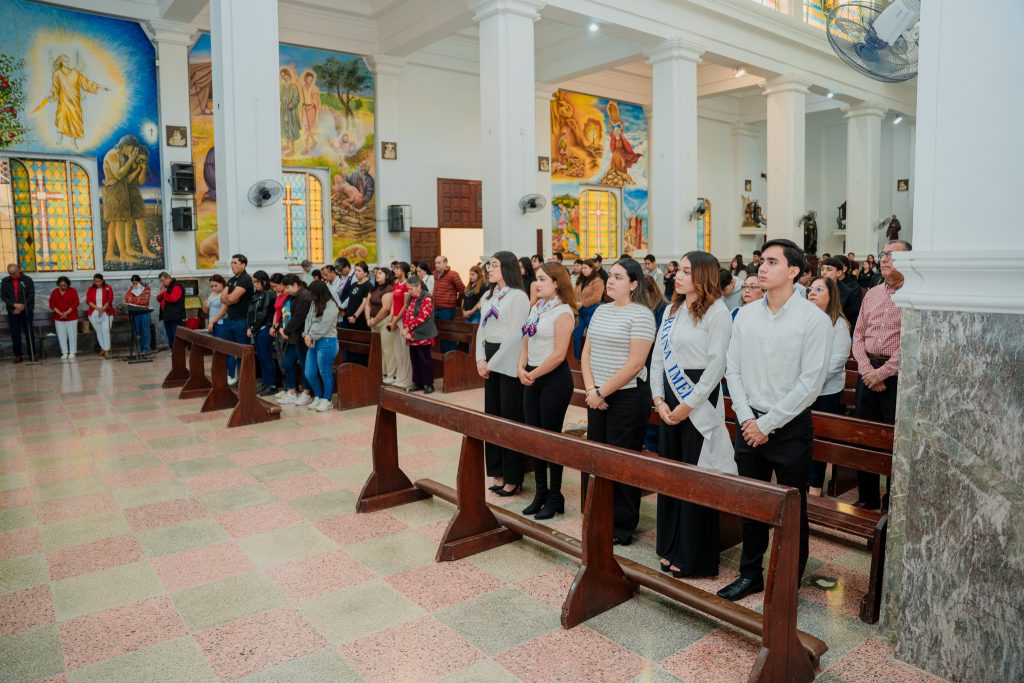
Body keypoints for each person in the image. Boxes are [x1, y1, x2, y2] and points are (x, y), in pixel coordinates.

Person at [717, 239, 833, 602]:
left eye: (771, 262)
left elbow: (810, 384)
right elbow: (732, 369)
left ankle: (787, 580)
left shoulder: (813, 320)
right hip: (748, 422)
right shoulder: (746, 314)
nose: (762, 268)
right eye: (761, 261)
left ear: (793, 271)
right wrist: (747, 418)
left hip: (790, 427)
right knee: (751, 503)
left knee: (792, 510)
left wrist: (766, 425)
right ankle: (750, 573)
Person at [651, 251, 733, 577]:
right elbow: (658, 358)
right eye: (679, 271)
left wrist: (689, 404)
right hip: (670, 397)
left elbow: (716, 366)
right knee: (671, 475)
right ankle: (670, 545)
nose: (677, 277)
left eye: (686, 271)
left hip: (699, 398)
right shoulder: (672, 309)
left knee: (696, 477)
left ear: (703, 275)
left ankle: (694, 555)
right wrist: (658, 399)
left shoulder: (718, 312)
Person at [581, 257, 657, 545]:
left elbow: (635, 364)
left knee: (621, 462)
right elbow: (586, 353)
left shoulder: (642, 315)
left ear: (634, 284)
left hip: (627, 397)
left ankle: (622, 527)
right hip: (597, 394)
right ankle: (596, 515)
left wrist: (602, 392)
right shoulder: (601, 311)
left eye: (618, 277)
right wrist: (592, 389)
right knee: (595, 458)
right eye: (610, 276)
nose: (610, 281)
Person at [852, 240, 911, 510]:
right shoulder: (873, 293)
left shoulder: (913, 294)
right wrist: (867, 371)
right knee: (865, 436)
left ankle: (892, 502)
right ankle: (867, 496)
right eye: (883, 254)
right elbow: (858, 335)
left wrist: (883, 373)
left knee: (893, 440)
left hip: (896, 377)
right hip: (867, 374)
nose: (884, 259)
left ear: (909, 259)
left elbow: (911, 341)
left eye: (891, 255)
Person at [519, 263, 577, 519]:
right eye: (536, 278)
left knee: (551, 440)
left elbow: (558, 355)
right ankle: (540, 493)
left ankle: (555, 496)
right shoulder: (537, 307)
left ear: (556, 282)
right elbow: (526, 338)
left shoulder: (563, 312)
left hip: (553, 380)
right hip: (532, 376)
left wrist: (533, 374)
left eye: (542, 279)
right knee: (535, 439)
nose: (537, 283)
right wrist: (521, 366)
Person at [476, 251, 531, 496]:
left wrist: (492, 363)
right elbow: (482, 328)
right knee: (493, 417)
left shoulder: (518, 296)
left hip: (507, 359)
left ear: (507, 267)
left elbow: (515, 334)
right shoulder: (489, 295)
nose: (489, 269)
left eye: (494, 265)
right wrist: (480, 358)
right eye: (489, 265)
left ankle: (513, 477)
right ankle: (497, 472)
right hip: (490, 355)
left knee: (509, 419)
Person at [805, 276, 852, 497]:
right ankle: (800, 483)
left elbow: (837, 361)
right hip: (802, 391)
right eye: (810, 289)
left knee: (819, 442)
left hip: (825, 393)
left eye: (819, 289)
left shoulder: (838, 323)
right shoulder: (803, 320)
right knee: (801, 440)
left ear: (831, 295)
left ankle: (815, 487)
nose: (812, 293)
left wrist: (811, 382)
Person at [302, 280, 339, 412]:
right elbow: (308, 319)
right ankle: (318, 396)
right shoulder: (314, 302)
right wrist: (306, 334)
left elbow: (324, 326)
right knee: (309, 373)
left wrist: (310, 336)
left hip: (327, 342)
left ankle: (327, 400)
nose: (311, 297)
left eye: (313, 294)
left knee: (325, 372)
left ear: (320, 293)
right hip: (312, 341)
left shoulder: (331, 305)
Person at [276, 275, 314, 406]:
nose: (286, 290)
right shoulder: (292, 295)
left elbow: (299, 318)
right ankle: (291, 392)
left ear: (295, 284)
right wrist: (280, 328)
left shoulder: (304, 296)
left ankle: (307, 393)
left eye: (288, 287)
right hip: (290, 337)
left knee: (304, 366)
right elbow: (283, 312)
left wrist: (285, 331)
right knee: (287, 363)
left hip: (299, 336)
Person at [402, 275, 438, 394]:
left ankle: (429, 384)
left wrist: (408, 329)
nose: (409, 291)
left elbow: (423, 317)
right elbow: (406, 314)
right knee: (415, 359)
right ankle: (418, 383)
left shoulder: (426, 297)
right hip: (412, 335)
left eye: (411, 289)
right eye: (408, 289)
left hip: (423, 334)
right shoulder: (411, 298)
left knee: (424, 360)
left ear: (418, 286)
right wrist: (406, 329)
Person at [222, 254, 254, 385]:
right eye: (232, 262)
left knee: (242, 352)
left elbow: (230, 298)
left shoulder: (245, 279)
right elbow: (223, 298)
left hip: (242, 320)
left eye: (235, 263)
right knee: (230, 350)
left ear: (243, 265)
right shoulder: (231, 280)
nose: (233, 265)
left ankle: (244, 381)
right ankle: (233, 376)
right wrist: (230, 299)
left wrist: (230, 299)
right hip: (231, 319)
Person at [247, 271, 278, 397]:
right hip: (256, 329)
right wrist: (249, 326)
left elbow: (264, 314)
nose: (254, 284)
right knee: (261, 357)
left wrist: (253, 329)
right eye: (253, 282)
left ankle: (272, 385)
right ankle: (266, 383)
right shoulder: (257, 294)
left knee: (266, 357)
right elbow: (250, 312)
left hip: (265, 328)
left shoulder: (269, 294)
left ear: (263, 281)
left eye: (256, 282)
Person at [366, 268, 397, 383]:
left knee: (388, 349)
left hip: (384, 321)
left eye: (380, 273)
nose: (377, 275)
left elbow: (386, 308)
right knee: (378, 349)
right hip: (373, 321)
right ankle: (382, 372)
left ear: (387, 276)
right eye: (376, 273)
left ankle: (392, 374)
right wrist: (368, 319)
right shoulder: (374, 288)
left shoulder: (389, 289)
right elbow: (367, 304)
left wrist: (374, 320)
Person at [2, 264, 36, 363]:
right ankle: (18, 355)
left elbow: (31, 294)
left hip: (26, 310)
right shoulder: (5, 281)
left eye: (14, 273)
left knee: (29, 332)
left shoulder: (27, 280)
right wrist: (14, 305)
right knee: (15, 333)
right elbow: (3, 296)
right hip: (13, 310)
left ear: (19, 270)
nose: (12, 275)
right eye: (10, 273)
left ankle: (32, 354)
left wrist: (22, 306)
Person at [432, 255, 466, 353]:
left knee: (448, 335)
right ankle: (440, 357)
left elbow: (462, 290)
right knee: (437, 335)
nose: (436, 265)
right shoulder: (433, 275)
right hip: (434, 309)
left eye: (439, 262)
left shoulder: (453, 275)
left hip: (446, 310)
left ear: (445, 263)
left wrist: (456, 302)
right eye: (435, 263)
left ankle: (451, 356)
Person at [573, 259, 604, 359]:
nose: (583, 270)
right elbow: (574, 294)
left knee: (592, 337)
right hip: (579, 311)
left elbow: (597, 298)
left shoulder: (598, 281)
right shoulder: (580, 280)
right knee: (576, 335)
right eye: (582, 268)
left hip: (590, 311)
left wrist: (582, 303)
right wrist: (575, 303)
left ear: (592, 268)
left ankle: (594, 358)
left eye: (585, 268)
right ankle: (577, 359)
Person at [389, 262, 413, 390]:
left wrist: (396, 319)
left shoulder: (406, 284)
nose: (395, 270)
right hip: (395, 319)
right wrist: (391, 318)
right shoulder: (396, 283)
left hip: (403, 320)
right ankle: (399, 377)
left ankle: (407, 379)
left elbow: (405, 306)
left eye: (397, 268)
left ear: (403, 270)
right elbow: (394, 303)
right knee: (397, 351)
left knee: (405, 351)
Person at [821, 256, 861, 328]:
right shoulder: (817, 288)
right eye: (822, 269)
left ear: (838, 273)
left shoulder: (847, 293)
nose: (824, 272)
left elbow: (854, 320)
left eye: (829, 269)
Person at [49, 276, 79, 361]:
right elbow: (51, 304)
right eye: (61, 285)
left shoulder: (72, 291)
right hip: (58, 317)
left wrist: (67, 312)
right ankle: (64, 352)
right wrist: (60, 313)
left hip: (71, 317)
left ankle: (72, 352)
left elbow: (76, 302)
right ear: (58, 285)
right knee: (61, 335)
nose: (63, 287)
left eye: (64, 285)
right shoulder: (55, 292)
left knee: (72, 335)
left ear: (68, 285)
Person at [86, 273, 114, 358]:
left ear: (102, 280)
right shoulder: (91, 289)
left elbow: (109, 299)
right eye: (95, 281)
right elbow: (88, 301)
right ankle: (103, 348)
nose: (97, 283)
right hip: (94, 313)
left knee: (105, 330)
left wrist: (103, 309)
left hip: (106, 312)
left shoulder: (108, 288)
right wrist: (98, 309)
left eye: (99, 281)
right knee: (99, 331)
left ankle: (107, 349)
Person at [156, 272, 185, 351]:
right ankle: (173, 351)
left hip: (175, 316)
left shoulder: (177, 286)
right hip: (167, 316)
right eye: (161, 282)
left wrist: (164, 292)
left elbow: (173, 298)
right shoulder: (165, 287)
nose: (162, 283)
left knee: (176, 335)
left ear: (169, 278)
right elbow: (158, 298)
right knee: (169, 335)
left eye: (163, 281)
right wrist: (162, 292)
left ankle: (178, 352)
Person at [124, 275, 152, 355]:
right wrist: (131, 289)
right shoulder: (132, 289)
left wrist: (136, 302)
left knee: (145, 330)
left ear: (140, 282)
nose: (135, 285)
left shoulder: (146, 289)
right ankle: (139, 349)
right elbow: (127, 299)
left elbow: (145, 301)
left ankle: (146, 349)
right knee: (137, 331)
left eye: (136, 283)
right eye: (133, 283)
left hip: (145, 312)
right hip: (136, 312)